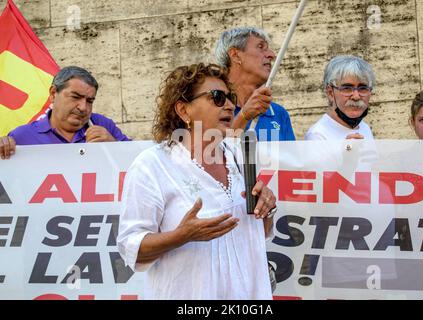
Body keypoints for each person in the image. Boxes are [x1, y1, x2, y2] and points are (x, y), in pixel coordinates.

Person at [117, 63, 277, 300]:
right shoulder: (153, 165)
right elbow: (131, 247)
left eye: (231, 97)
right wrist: (182, 235)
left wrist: (267, 209)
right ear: (183, 110)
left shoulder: (240, 155)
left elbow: (259, 233)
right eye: (217, 97)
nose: (231, 105)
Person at [0, 66, 130, 159]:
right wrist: (3, 148)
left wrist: (115, 147)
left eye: (90, 101)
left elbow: (137, 164)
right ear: (53, 94)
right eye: (75, 97)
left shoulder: (103, 125)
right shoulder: (22, 136)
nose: (83, 107)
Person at [215, 26, 295, 141]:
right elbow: (210, 153)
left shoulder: (279, 114)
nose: (272, 55)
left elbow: (290, 158)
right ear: (235, 55)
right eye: (261, 47)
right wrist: (244, 116)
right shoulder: (213, 108)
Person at [305, 55, 376, 140]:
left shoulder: (364, 128)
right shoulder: (318, 135)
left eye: (363, 88)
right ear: (330, 93)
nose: (356, 97)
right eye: (347, 88)